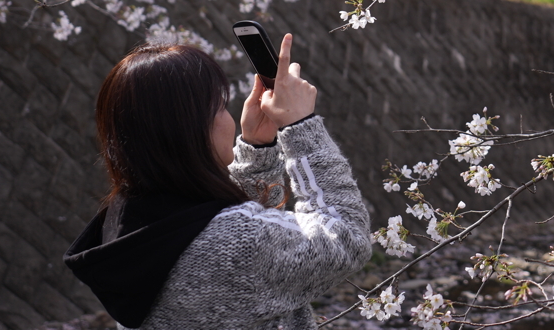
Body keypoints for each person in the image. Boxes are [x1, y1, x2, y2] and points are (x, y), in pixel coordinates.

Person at [64, 33, 372, 329]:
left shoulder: (124, 221)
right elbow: (346, 238)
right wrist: (301, 128)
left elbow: (217, 227)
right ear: (189, 129)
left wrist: (256, 148)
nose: (229, 118)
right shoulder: (235, 241)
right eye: (221, 106)